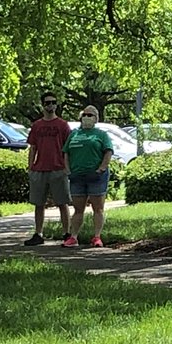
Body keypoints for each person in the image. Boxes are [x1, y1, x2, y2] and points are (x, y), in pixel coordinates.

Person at [23, 91, 73, 246]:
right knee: (39, 203)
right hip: (39, 169)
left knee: (62, 203)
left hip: (58, 169)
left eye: (53, 102)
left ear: (56, 105)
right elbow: (33, 148)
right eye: (47, 103)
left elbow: (68, 148)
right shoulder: (37, 125)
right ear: (42, 105)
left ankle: (67, 234)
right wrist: (31, 167)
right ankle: (38, 234)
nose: (50, 105)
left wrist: (67, 168)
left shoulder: (63, 125)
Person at [62, 105, 114, 247]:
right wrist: (68, 170)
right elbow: (66, 153)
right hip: (77, 176)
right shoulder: (74, 134)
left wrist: (102, 168)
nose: (86, 117)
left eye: (90, 115)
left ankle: (97, 237)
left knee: (98, 208)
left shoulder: (101, 135)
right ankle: (73, 237)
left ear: (96, 118)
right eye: (84, 115)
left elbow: (108, 151)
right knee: (78, 209)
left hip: (96, 176)